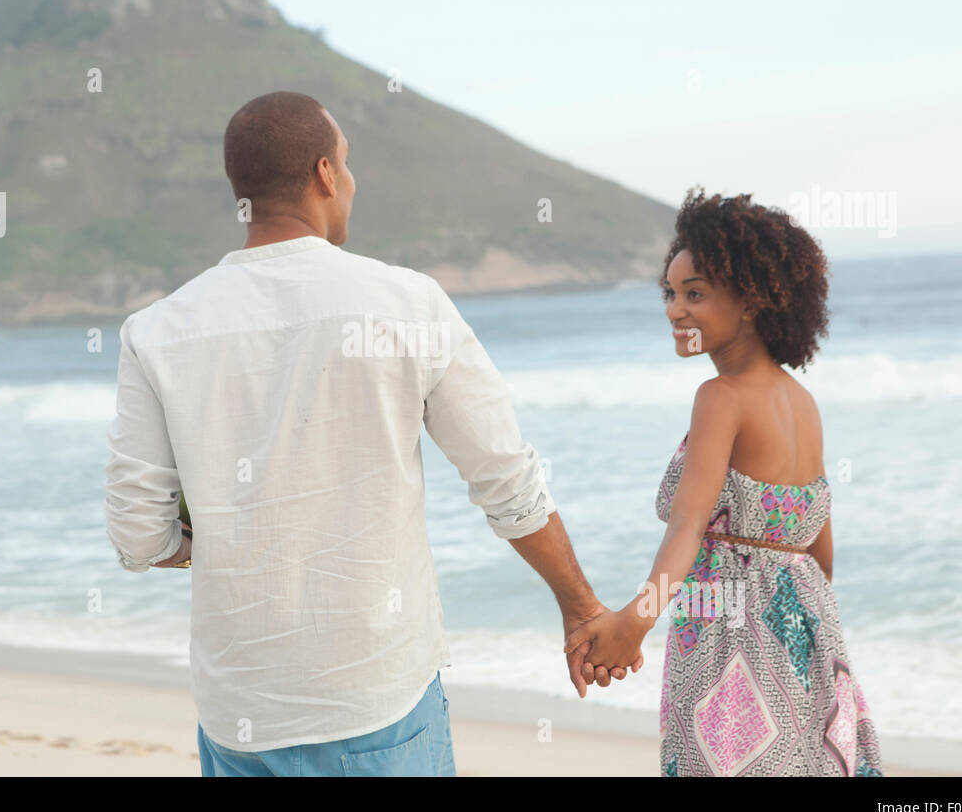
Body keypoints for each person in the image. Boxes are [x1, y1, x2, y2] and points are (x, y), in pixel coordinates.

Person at [104, 91, 638, 777]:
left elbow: (138, 534)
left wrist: (215, 532)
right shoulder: (406, 303)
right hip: (375, 698)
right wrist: (582, 607)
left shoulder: (157, 331)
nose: (351, 183)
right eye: (348, 165)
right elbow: (505, 479)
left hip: (241, 711)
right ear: (326, 174)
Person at [565, 189, 885, 776]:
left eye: (695, 293)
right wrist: (797, 626)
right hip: (805, 633)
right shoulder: (803, 402)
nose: (674, 310)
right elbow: (819, 549)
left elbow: (688, 527)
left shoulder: (719, 398)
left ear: (750, 300)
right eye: (669, 292)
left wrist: (636, 621)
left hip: (728, 636)